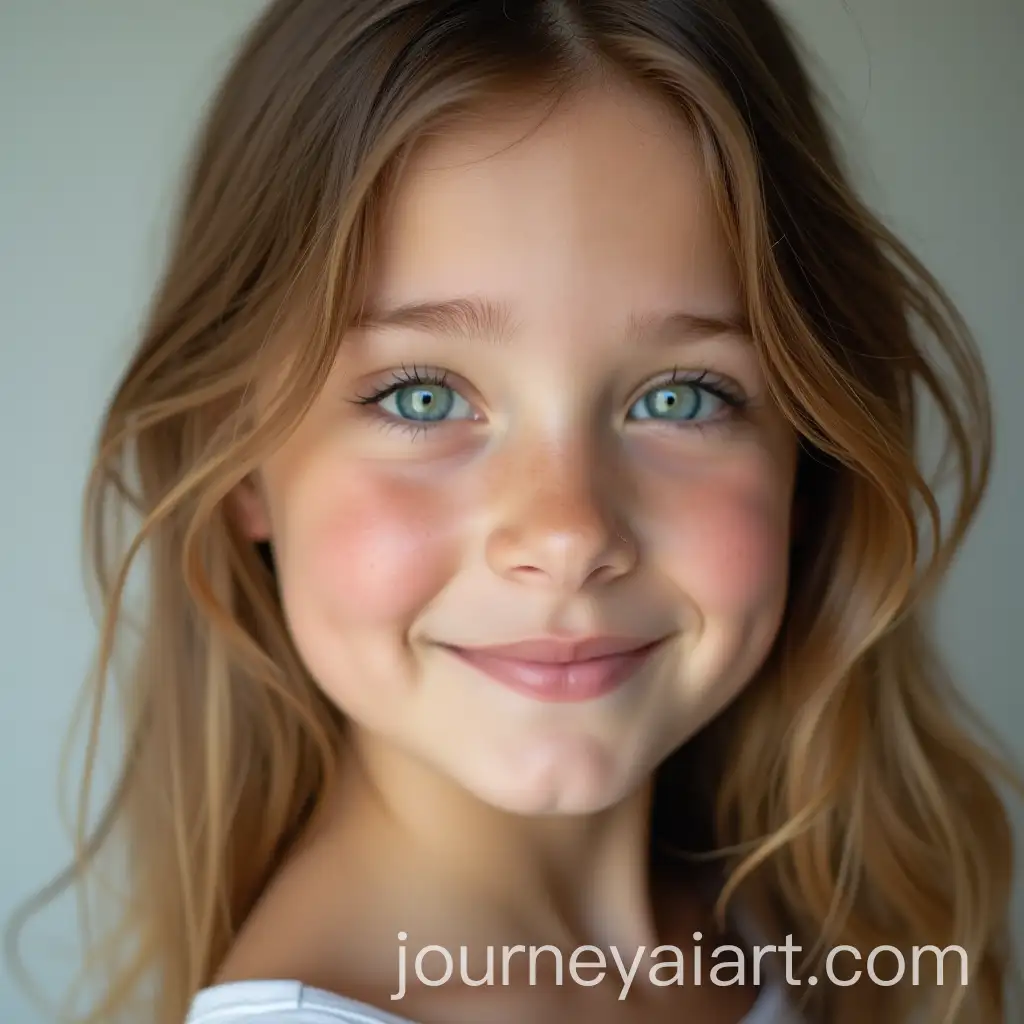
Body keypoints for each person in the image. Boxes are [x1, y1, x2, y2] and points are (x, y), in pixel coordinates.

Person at [7, 1, 1022, 1022]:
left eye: (678, 396)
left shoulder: (812, 931)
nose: (569, 532)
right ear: (237, 460)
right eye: (422, 396)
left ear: (808, 446)